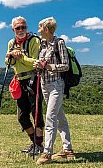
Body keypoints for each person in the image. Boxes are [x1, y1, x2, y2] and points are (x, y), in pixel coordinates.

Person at [33, 17, 75, 165]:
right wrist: (38, 65)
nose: (39, 31)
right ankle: (67, 149)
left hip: (57, 84)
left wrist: (51, 67)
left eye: (40, 28)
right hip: (45, 84)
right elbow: (43, 63)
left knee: (50, 116)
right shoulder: (42, 44)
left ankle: (47, 153)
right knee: (59, 116)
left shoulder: (59, 43)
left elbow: (66, 65)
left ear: (46, 29)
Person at [5, 16, 44, 156]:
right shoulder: (11, 42)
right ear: (13, 29)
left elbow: (35, 62)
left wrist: (19, 57)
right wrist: (11, 56)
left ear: (26, 27)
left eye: (23, 27)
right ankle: (35, 143)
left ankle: (39, 145)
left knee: (37, 114)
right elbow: (7, 63)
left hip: (34, 80)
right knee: (22, 116)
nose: (21, 30)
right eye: (17, 28)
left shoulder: (34, 41)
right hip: (19, 80)